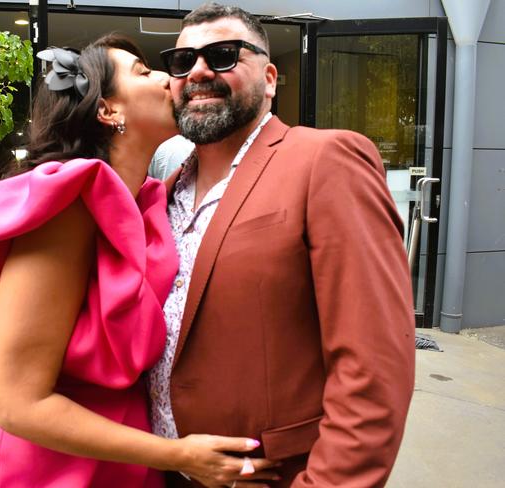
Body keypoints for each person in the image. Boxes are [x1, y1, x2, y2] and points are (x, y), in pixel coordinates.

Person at [0, 34, 279, 487]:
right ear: (108, 111)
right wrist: (180, 455)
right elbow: (18, 404)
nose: (166, 78)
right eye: (143, 71)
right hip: (52, 468)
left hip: (122, 460)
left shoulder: (152, 203)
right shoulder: (67, 209)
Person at [149, 3, 416, 487]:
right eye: (182, 61)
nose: (199, 71)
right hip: (164, 472)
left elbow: (372, 371)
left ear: (270, 78)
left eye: (224, 55)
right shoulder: (163, 193)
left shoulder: (325, 160)